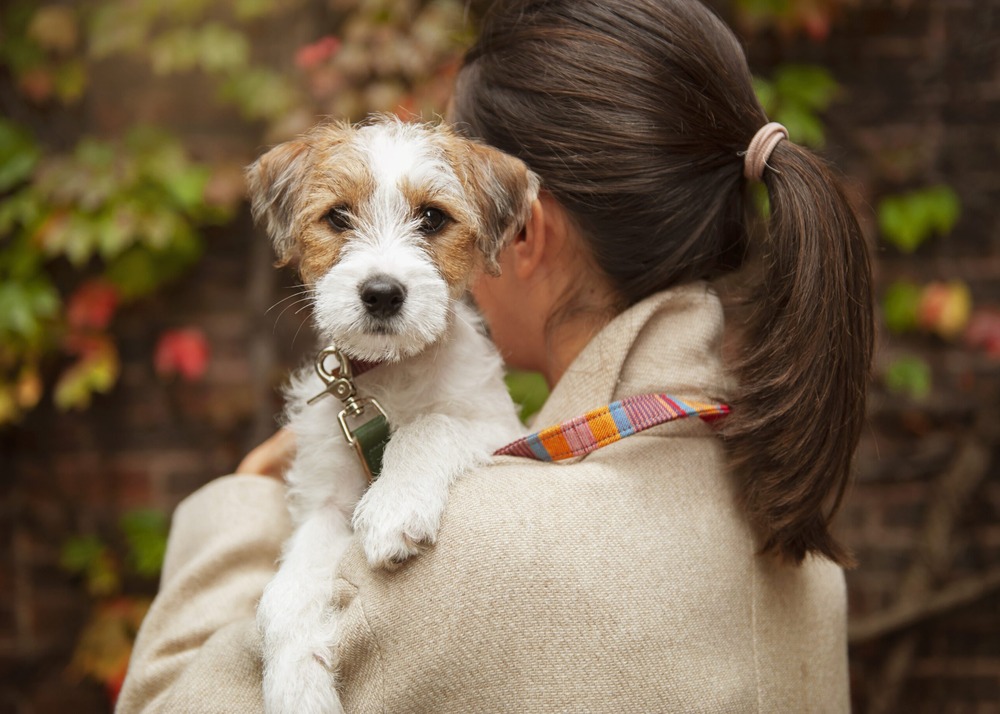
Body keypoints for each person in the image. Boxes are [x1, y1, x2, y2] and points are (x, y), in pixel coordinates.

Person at [117, 0, 872, 711]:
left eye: (436, 220)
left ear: (521, 230)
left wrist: (244, 501)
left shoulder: (463, 557)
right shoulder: (790, 509)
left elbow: (164, 698)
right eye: (342, 219)